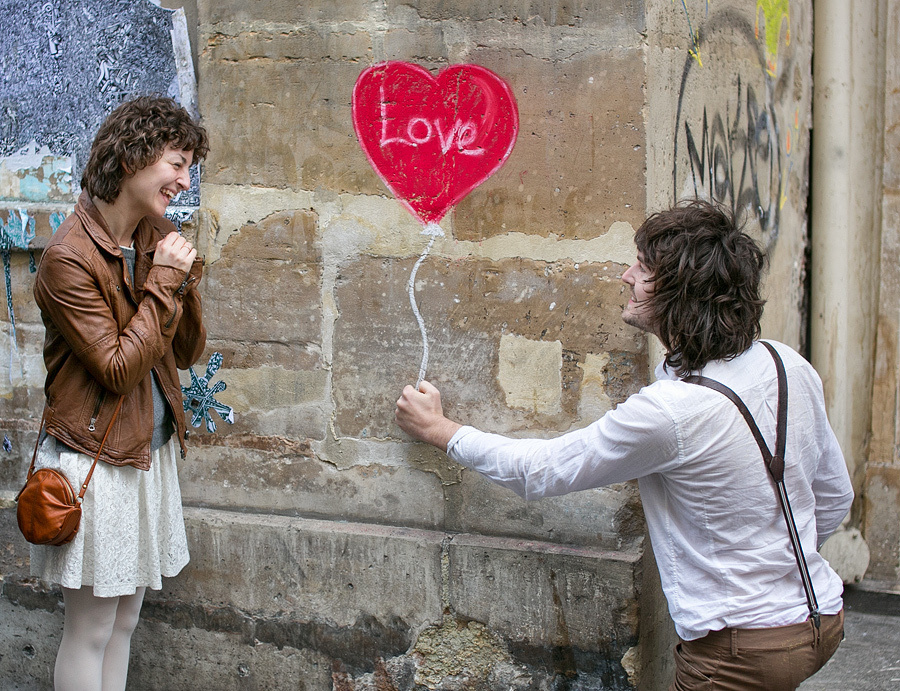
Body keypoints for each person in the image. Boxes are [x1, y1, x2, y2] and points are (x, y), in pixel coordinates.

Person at [395, 199, 854, 690]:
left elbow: (543, 470)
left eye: (644, 267)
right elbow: (833, 497)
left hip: (738, 652)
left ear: (681, 292)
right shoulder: (786, 363)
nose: (626, 275)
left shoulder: (669, 412)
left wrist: (439, 431)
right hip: (820, 621)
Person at [30, 96, 208, 691]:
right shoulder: (67, 259)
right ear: (134, 156)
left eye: (189, 167)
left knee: (125, 619)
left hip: (145, 451)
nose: (186, 180)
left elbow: (182, 354)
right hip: (95, 462)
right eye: (177, 163)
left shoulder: (149, 235)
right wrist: (165, 281)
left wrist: (177, 280)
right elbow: (114, 368)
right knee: (92, 627)